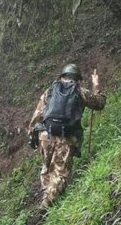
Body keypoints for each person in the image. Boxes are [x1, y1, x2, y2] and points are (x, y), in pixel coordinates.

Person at [28, 64, 106, 209]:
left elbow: (37, 114)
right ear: (77, 79)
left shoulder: (50, 90)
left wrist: (32, 134)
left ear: (62, 76)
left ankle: (48, 195)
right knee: (60, 173)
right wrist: (96, 85)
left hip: (45, 135)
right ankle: (47, 203)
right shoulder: (80, 91)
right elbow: (99, 103)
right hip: (67, 137)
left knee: (46, 167)